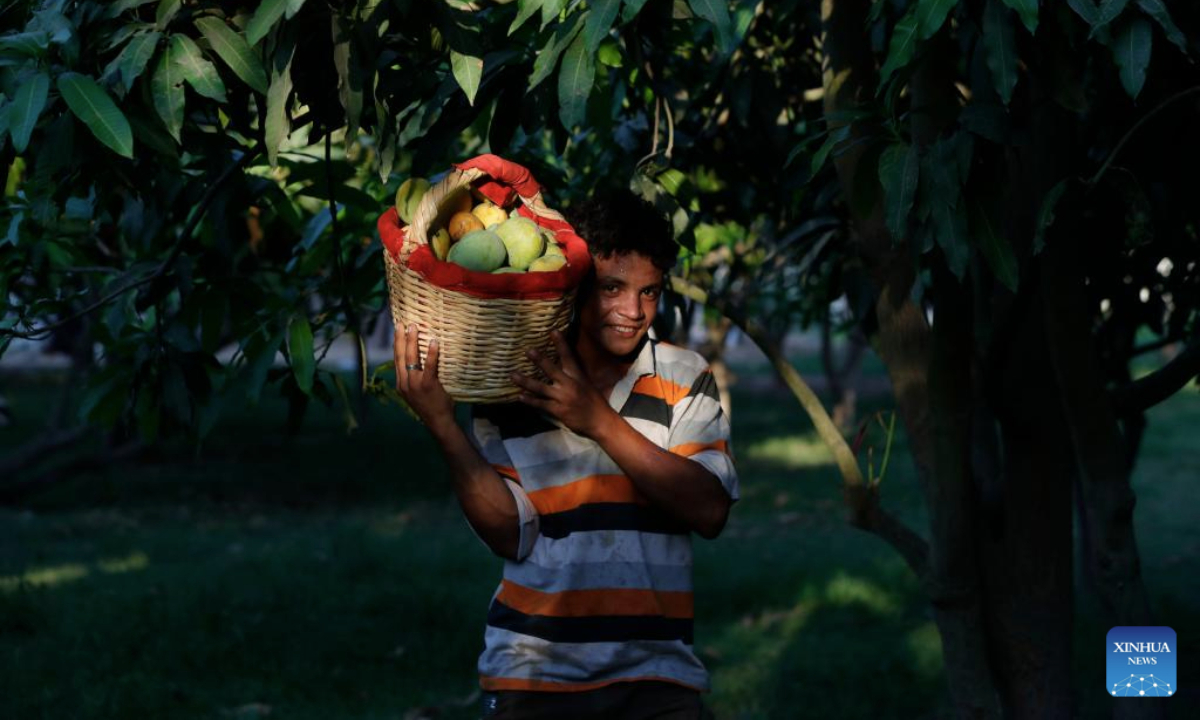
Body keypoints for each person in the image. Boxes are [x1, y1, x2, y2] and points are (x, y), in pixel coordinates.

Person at [393, 189, 738, 720]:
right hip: (534, 675)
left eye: (649, 292)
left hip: (657, 675)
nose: (633, 311)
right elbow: (510, 533)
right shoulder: (513, 382)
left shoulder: (682, 375)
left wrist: (597, 420)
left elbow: (709, 509)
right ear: (574, 285)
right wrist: (442, 424)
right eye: (612, 288)